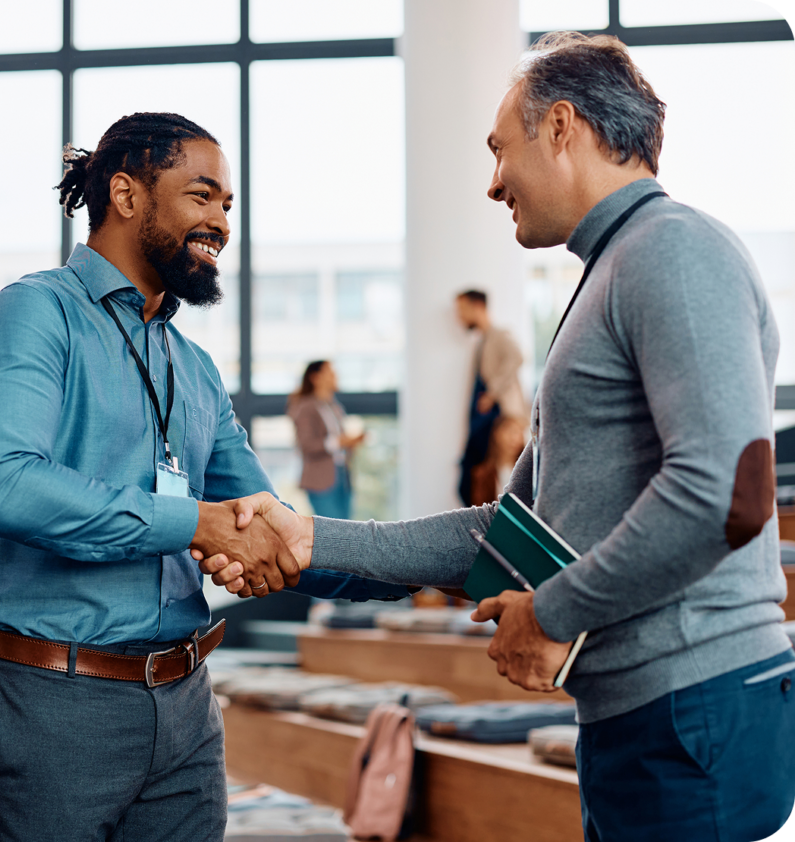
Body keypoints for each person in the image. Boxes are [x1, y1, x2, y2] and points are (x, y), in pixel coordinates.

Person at [201, 32, 794, 842]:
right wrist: (310, 539)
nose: (492, 182)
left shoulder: (674, 250)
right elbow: (505, 535)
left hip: (697, 709)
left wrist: (551, 612)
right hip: (642, 718)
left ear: (561, 128)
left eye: (498, 150)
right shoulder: (610, 274)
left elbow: (726, 491)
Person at [0, 112, 413, 842]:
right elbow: (0, 484)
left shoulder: (191, 368)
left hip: (187, 711)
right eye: (202, 196)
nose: (221, 222)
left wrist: (442, 568)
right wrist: (194, 521)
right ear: (127, 194)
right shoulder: (34, 314)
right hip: (53, 703)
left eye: (228, 205)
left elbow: (269, 529)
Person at [455, 289, 527, 506]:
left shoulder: (499, 335)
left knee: (497, 476)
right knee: (476, 478)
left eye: (462, 310)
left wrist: (492, 393)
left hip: (500, 417)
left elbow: (518, 357)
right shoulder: (482, 341)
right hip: (485, 420)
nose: (459, 317)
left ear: (477, 306)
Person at [288, 360, 366, 519]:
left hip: (342, 475)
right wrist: (340, 442)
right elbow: (306, 444)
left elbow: (338, 440)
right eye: (329, 372)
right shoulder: (305, 407)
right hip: (320, 479)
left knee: (347, 530)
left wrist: (351, 443)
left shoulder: (333, 406)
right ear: (315, 377)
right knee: (333, 532)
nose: (335, 376)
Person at [469, 415, 526, 507]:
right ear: (496, 434)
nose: (514, 439)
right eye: (510, 432)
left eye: (518, 433)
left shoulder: (528, 471)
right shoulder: (482, 475)